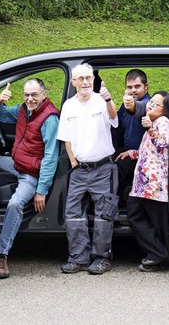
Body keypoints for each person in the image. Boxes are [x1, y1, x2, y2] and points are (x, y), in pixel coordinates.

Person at [0, 79, 60, 279]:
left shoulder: (49, 119)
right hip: (17, 164)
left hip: (31, 174)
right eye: (26, 95)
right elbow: (1, 114)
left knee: (14, 204)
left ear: (44, 94)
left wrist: (41, 190)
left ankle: (1, 254)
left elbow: (51, 156)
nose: (30, 99)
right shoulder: (24, 110)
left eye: (34, 95)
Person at [57, 63, 119, 275]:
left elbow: (114, 118)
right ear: (73, 82)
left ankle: (102, 258)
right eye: (80, 78)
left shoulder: (101, 101)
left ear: (93, 80)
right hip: (80, 170)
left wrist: (109, 99)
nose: (85, 82)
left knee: (104, 215)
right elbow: (66, 138)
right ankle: (78, 258)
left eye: (88, 78)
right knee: (73, 214)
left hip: (102, 168)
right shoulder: (68, 106)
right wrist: (74, 163)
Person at [124, 91, 169, 272]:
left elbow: (163, 144)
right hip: (144, 183)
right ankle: (159, 255)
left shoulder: (163, 122)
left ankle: (160, 255)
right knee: (144, 218)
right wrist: (131, 153)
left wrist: (149, 128)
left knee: (138, 216)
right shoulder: (154, 123)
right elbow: (150, 152)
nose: (151, 105)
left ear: (165, 109)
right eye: (151, 101)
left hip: (152, 183)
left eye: (156, 104)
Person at [100, 70, 151, 203]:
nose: (133, 90)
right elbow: (117, 125)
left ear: (146, 86)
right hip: (126, 150)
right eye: (129, 87)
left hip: (143, 156)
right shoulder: (124, 106)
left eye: (137, 86)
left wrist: (132, 106)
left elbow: (141, 108)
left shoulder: (150, 104)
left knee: (114, 171)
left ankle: (108, 206)